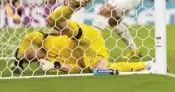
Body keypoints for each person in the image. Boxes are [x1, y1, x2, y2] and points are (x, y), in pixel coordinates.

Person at [10, 5, 152, 74]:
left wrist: (18, 60)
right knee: (99, 71)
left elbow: (28, 37)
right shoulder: (49, 62)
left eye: (27, 54)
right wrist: (55, 66)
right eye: (27, 58)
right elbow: (76, 69)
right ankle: (147, 65)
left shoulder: (43, 39)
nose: (29, 55)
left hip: (84, 36)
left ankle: (71, 7)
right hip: (87, 54)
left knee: (55, 22)